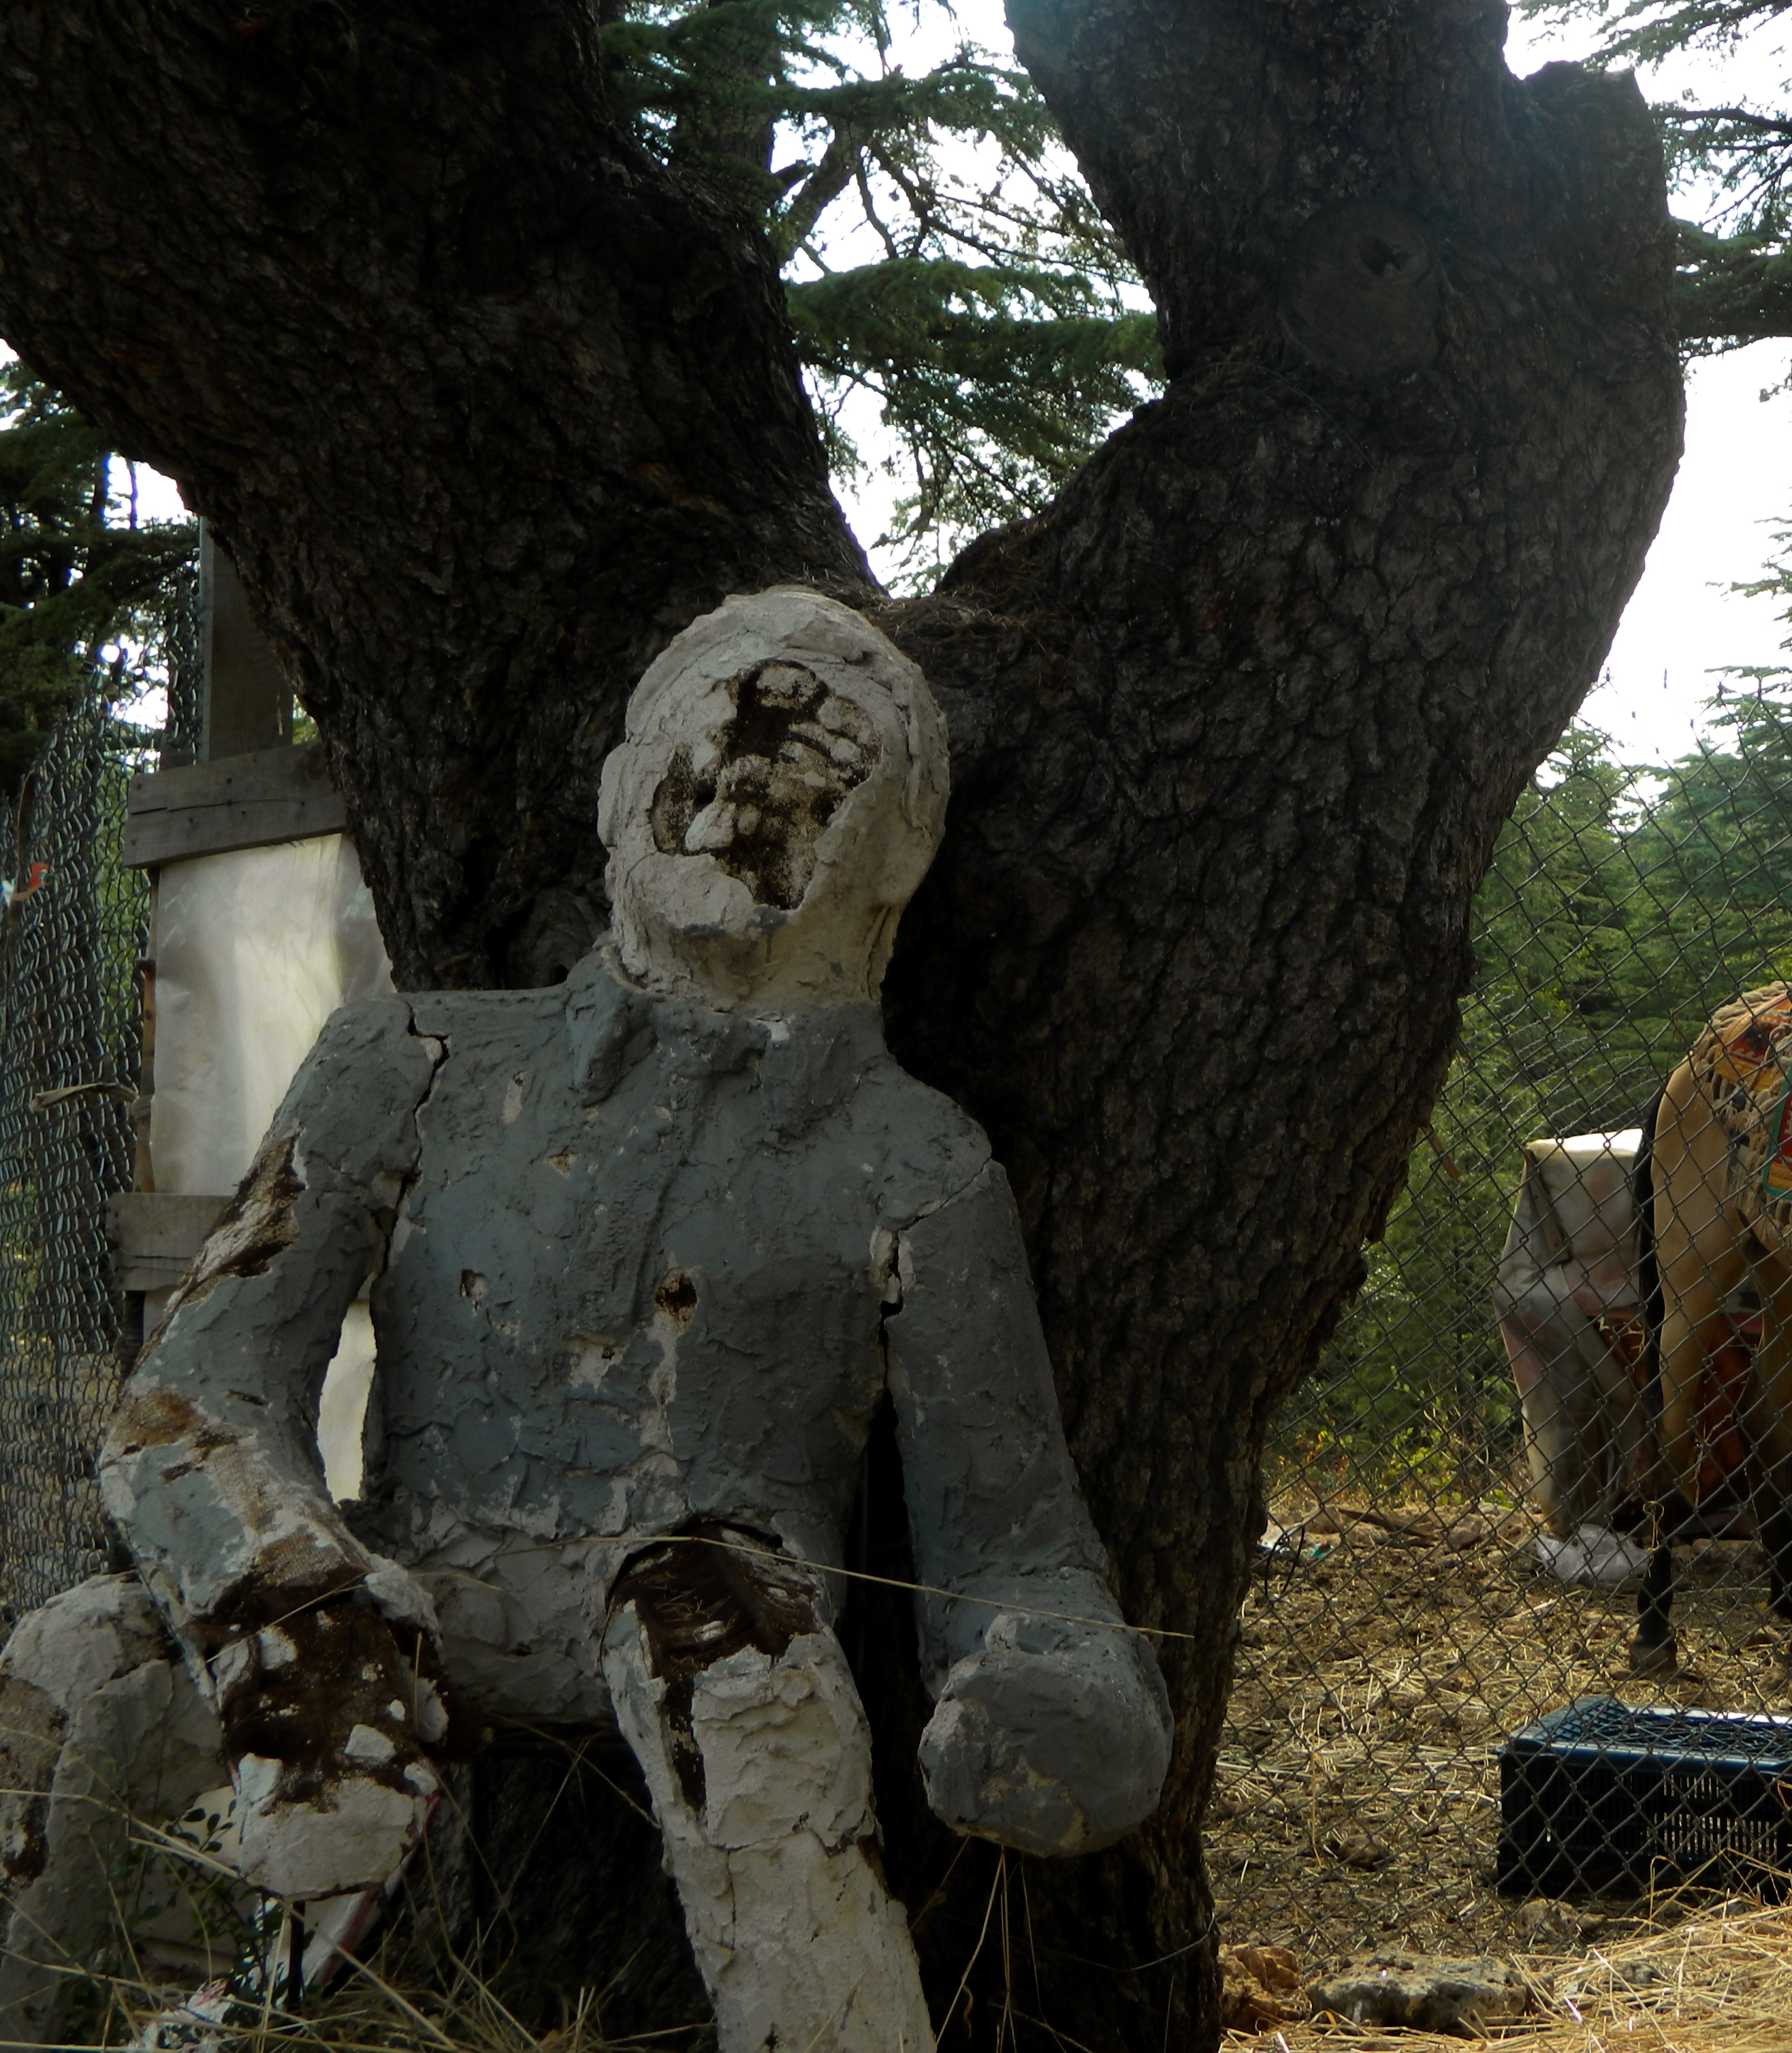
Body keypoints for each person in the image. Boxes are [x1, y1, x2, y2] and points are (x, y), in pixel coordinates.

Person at [1, 588, 1172, 2053]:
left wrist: (1056, 1688)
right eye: (709, 735)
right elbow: (196, 1393)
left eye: (824, 766)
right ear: (620, 793)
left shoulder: (914, 1161)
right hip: (403, 1583)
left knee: (730, 1648)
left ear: (899, 855)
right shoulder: (408, 1058)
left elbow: (1007, 1540)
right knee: (80, 1662)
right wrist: (300, 1611)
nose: (744, 784)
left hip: (717, 1625)